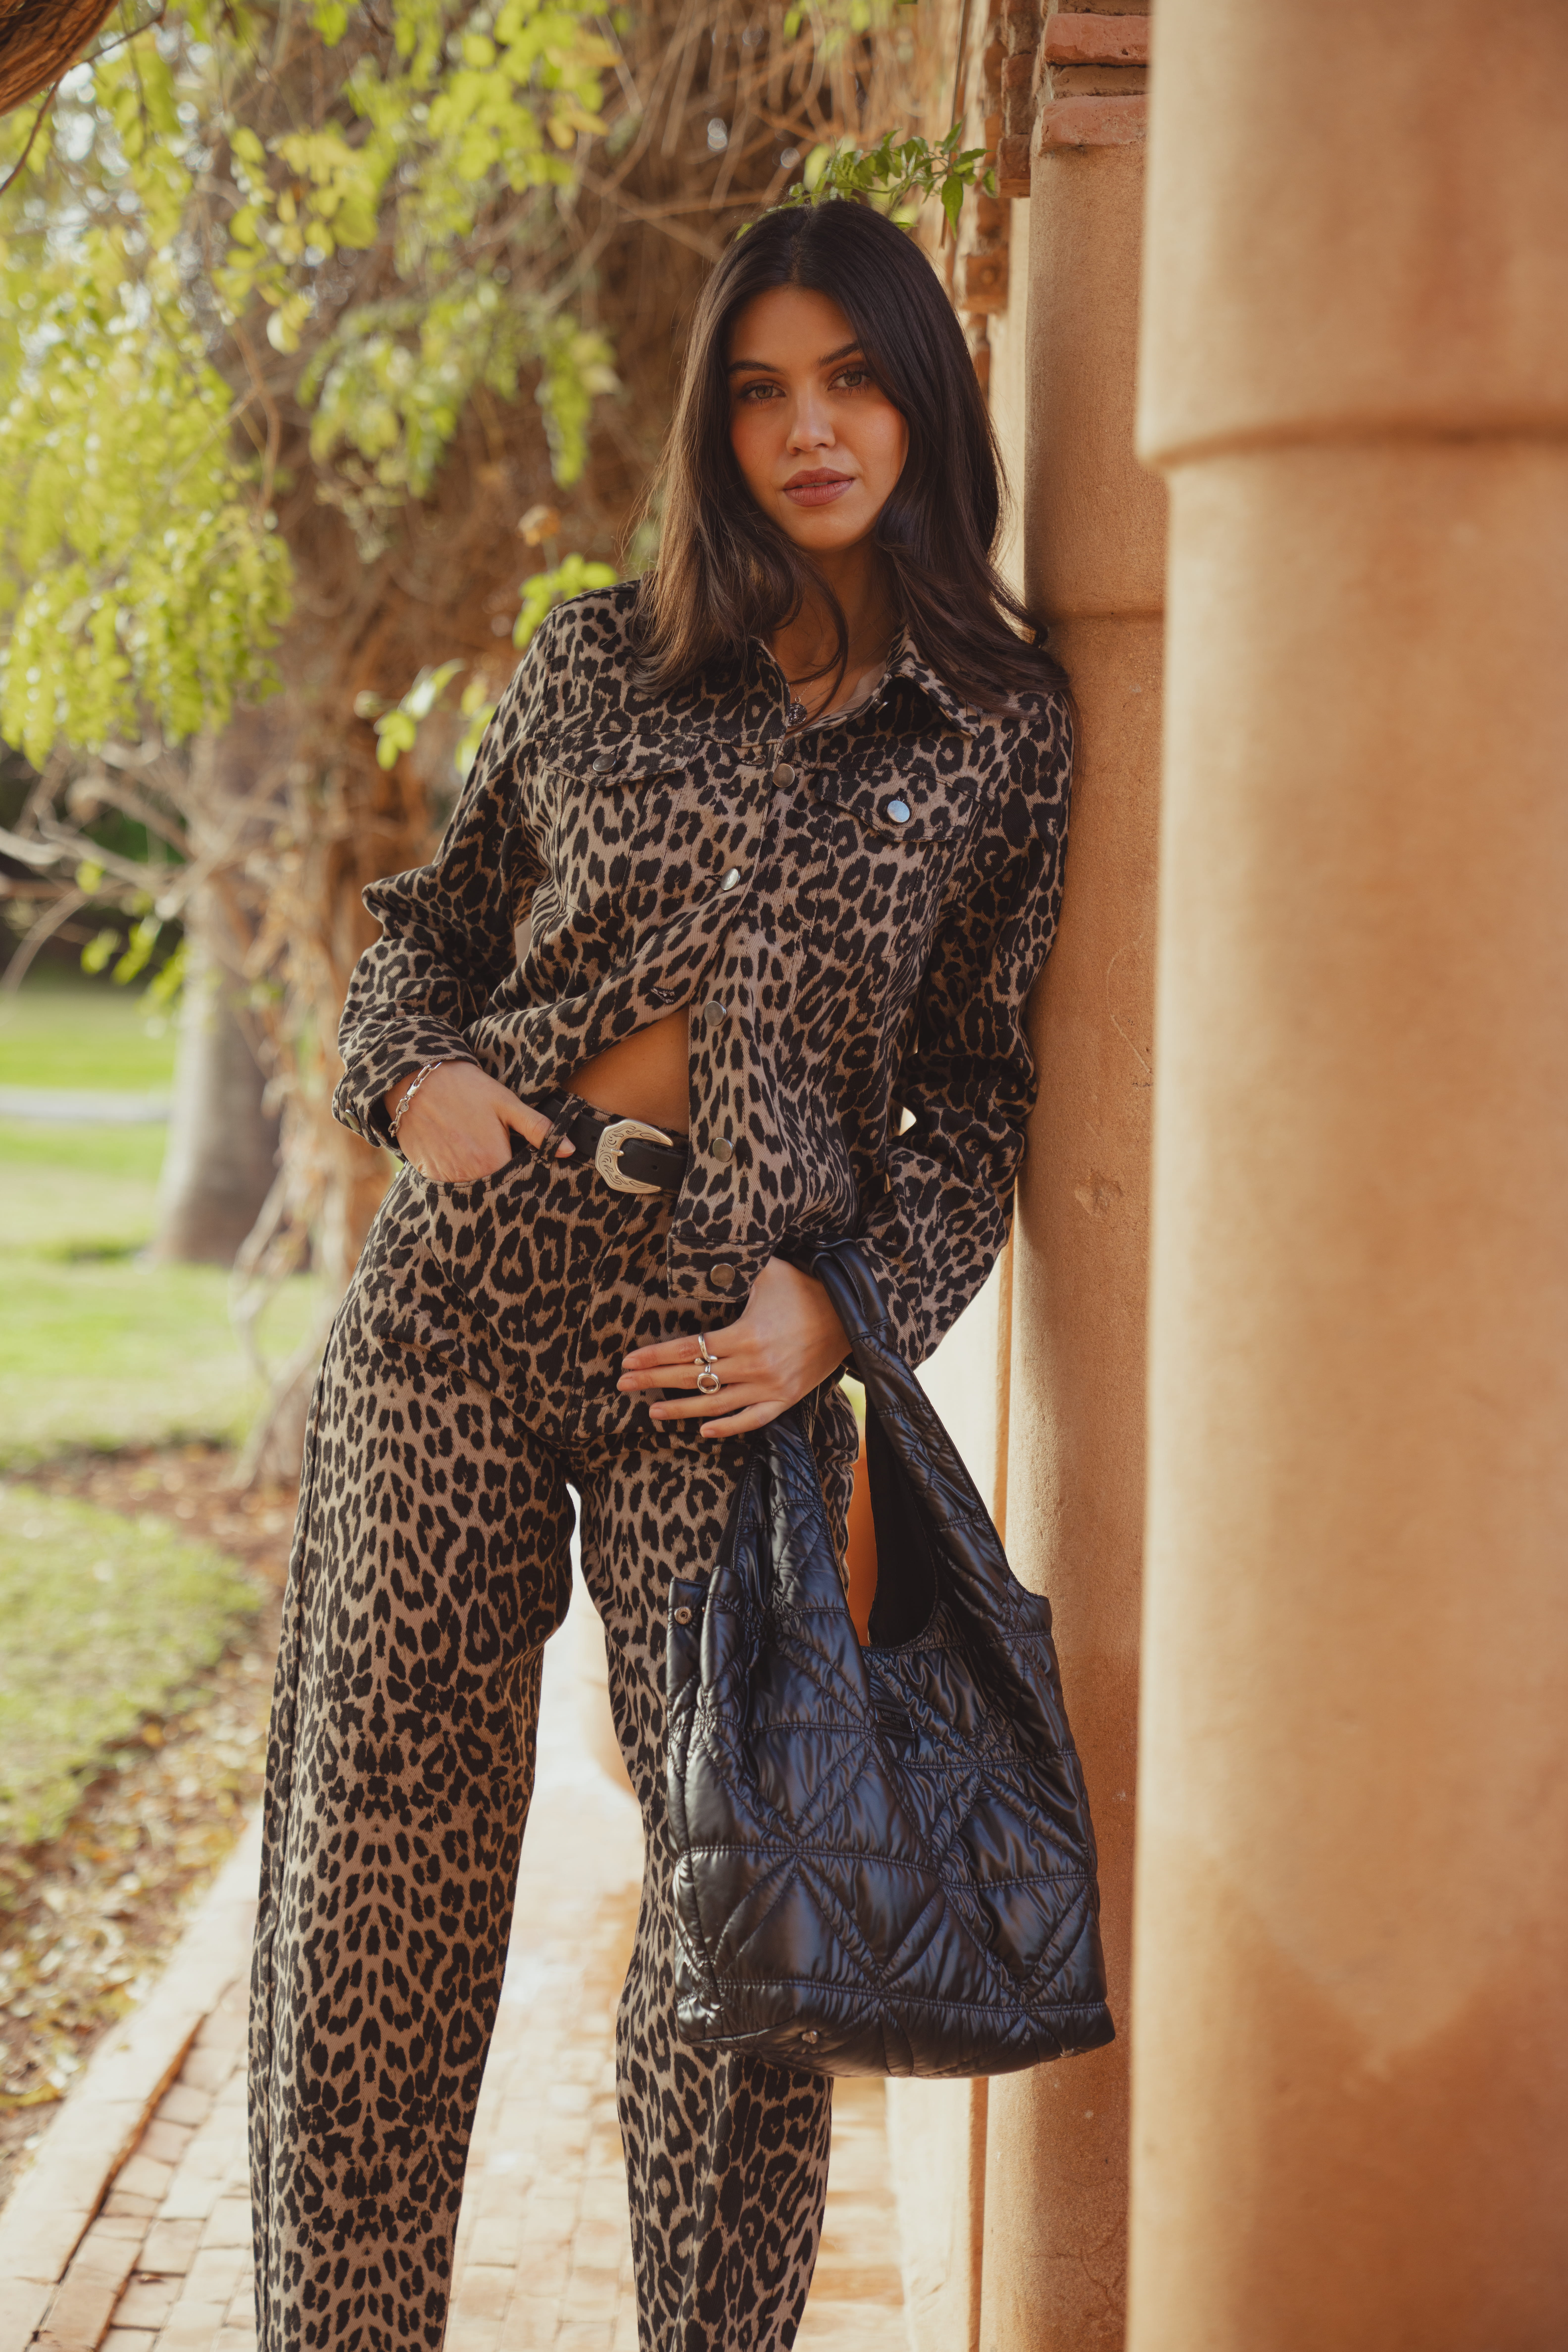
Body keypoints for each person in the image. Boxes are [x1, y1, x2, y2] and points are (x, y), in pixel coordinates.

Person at [247, 194, 1072, 2352]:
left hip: (730, 1353)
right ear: (718, 423)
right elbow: (429, 926)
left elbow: (983, 1098)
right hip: (463, 1305)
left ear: (926, 391)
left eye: (857, 377)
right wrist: (411, 1073)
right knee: (377, 1894)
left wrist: (845, 1316)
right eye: (765, 388)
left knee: (747, 1938)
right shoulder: (604, 657)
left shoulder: (1000, 733)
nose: (813, 428)